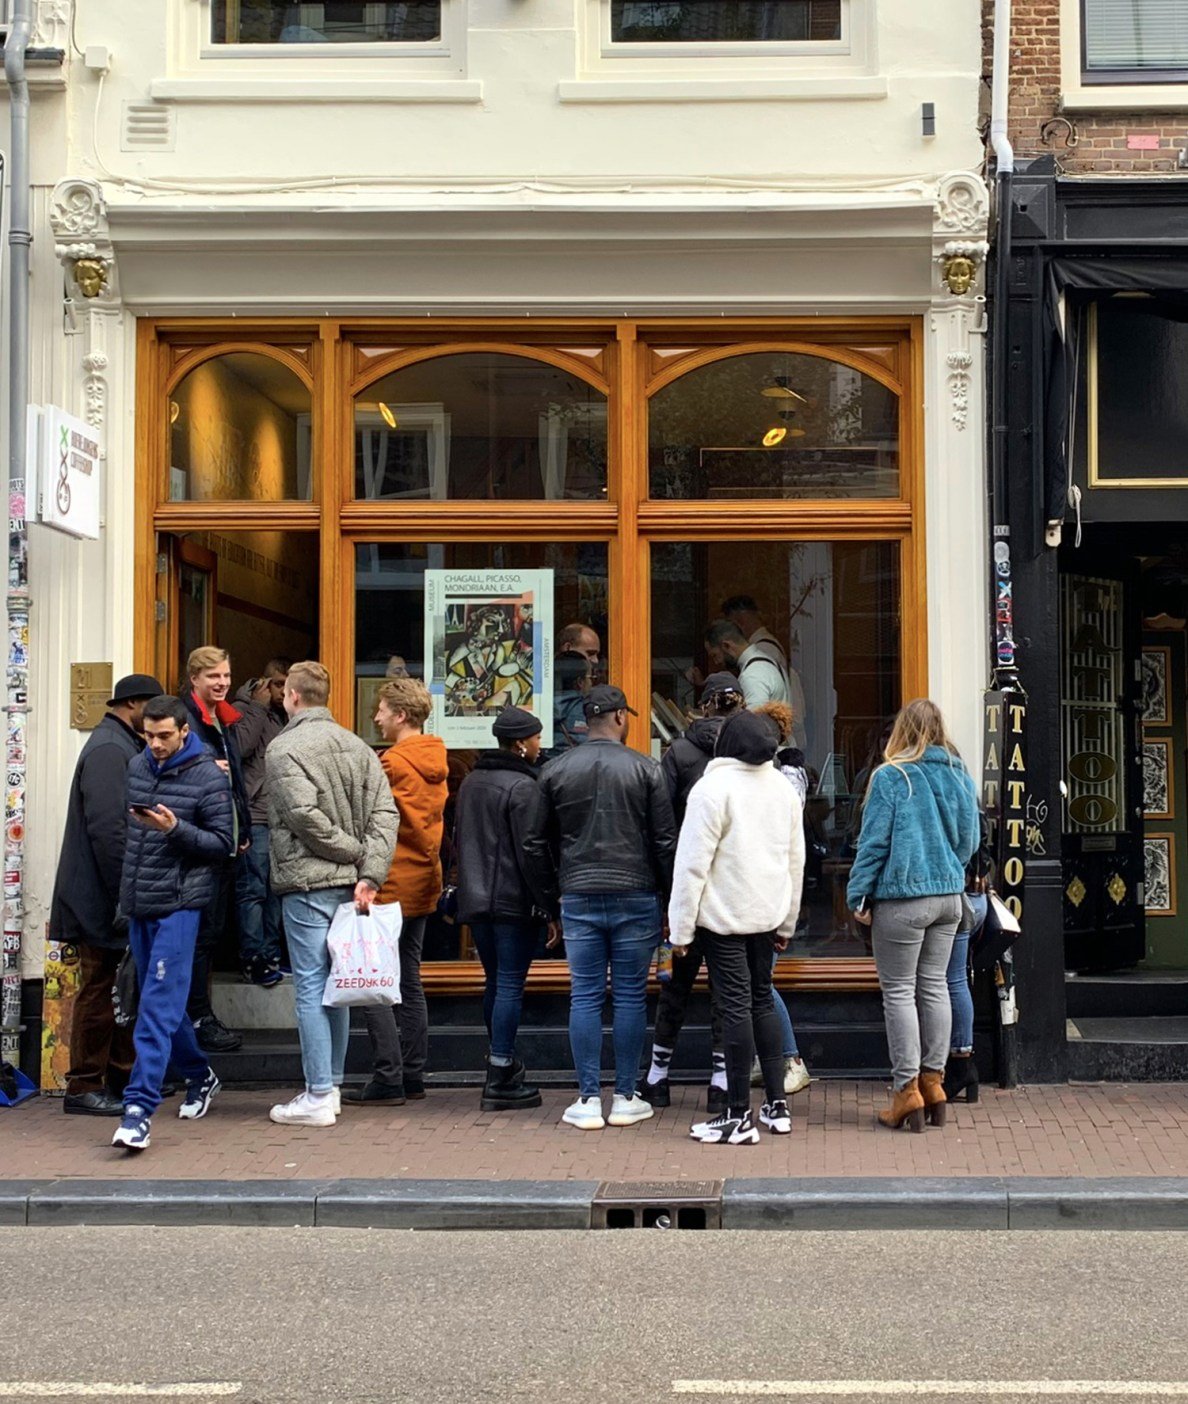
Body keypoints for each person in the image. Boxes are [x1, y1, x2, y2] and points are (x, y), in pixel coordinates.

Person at [524, 684, 676, 1131]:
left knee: (585, 995)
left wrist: (550, 900)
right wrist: (670, 900)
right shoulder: (646, 768)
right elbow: (665, 842)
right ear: (619, 718)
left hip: (578, 893)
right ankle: (626, 1095)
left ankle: (588, 1097)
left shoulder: (555, 770)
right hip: (636, 892)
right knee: (630, 996)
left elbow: (534, 843)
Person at [266, 662, 399, 1128]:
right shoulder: (358, 746)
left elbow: (304, 817)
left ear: (292, 696)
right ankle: (331, 1086)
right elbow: (386, 813)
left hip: (308, 882)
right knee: (335, 986)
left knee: (310, 985)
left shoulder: (283, 749)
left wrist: (353, 855)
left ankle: (320, 1092)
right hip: (350, 883)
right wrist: (370, 872)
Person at [668, 710, 805, 1145]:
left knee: (735, 1008)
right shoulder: (782, 788)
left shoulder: (711, 789)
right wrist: (789, 921)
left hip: (723, 918)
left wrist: (680, 931)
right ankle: (777, 1106)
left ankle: (737, 1115)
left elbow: (691, 866)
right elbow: (794, 862)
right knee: (761, 1000)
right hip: (767, 915)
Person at [846, 699, 980, 1133]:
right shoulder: (958, 773)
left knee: (899, 992)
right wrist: (948, 870)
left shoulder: (892, 776)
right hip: (948, 897)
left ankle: (907, 1092)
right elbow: (970, 840)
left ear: (902, 730)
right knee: (936, 986)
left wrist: (857, 894)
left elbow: (873, 844)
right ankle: (935, 1083)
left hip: (903, 899)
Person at [111, 695, 234, 1152]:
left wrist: (174, 828)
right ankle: (200, 1074)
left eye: (165, 735)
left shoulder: (208, 776)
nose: (156, 744)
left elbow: (224, 844)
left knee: (157, 1005)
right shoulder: (137, 766)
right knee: (161, 999)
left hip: (183, 902)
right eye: (149, 735)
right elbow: (131, 838)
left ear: (185, 731)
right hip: (142, 899)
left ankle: (138, 1110)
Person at [50, 673, 163, 1116]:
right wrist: (127, 892)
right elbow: (110, 831)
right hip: (100, 897)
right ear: (133, 704)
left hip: (105, 895)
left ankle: (117, 1077)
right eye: (151, 709)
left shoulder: (117, 745)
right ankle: (83, 1086)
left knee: (118, 989)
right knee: (101, 991)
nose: (155, 721)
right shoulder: (110, 750)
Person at [638, 672, 744, 1116]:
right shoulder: (749, 753)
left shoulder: (678, 752)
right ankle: (719, 1084)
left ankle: (657, 1079)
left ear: (702, 706)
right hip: (733, 888)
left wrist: (667, 888)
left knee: (674, 984)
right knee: (726, 990)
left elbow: (660, 826)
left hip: (686, 884)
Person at [345, 676, 447, 1107]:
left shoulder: (390, 764)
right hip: (424, 880)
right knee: (410, 978)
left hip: (388, 882)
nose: (376, 717)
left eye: (382, 710)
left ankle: (387, 1075)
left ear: (401, 715)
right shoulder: (437, 759)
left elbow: (367, 818)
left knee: (373, 980)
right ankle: (412, 1073)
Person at [454, 706, 559, 1111]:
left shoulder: (472, 783)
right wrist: (549, 905)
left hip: (478, 900)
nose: (539, 745)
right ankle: (500, 1072)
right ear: (520, 744)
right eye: (535, 738)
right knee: (511, 984)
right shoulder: (523, 788)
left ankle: (500, 1061)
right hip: (514, 902)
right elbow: (531, 851)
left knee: (495, 982)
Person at [179, 646, 251, 1054]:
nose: (222, 682)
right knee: (199, 937)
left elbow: (235, 779)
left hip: (223, 844)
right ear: (194, 680)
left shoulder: (224, 721)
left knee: (210, 934)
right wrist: (202, 765)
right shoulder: (185, 721)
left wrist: (243, 829)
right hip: (199, 848)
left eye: (225, 675)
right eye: (213, 677)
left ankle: (197, 1017)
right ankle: (196, 1019)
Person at [748, 700, 813, 1097]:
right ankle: (769, 1058)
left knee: (761, 982)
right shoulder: (784, 774)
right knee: (758, 981)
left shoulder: (785, 777)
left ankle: (791, 1059)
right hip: (770, 887)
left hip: (769, 887)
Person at [232, 659, 290, 987]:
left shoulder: (285, 716)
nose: (285, 690)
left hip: (280, 817)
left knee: (275, 892)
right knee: (252, 889)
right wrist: (256, 707)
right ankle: (252, 958)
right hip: (254, 817)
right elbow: (240, 747)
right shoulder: (244, 709)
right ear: (264, 684)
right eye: (279, 684)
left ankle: (271, 956)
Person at [944, 809, 993, 1105]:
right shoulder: (967, 796)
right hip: (975, 896)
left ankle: (959, 1065)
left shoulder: (942, 792)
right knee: (956, 979)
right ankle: (962, 1064)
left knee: (949, 981)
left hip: (959, 899)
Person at [703, 619, 791, 710]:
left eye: (715, 655)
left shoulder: (753, 674)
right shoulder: (767, 663)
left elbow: (752, 722)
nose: (716, 662)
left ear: (726, 646)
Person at [551, 651, 593, 753]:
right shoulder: (586, 711)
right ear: (580, 682)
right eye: (590, 678)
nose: (592, 682)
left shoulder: (540, 705)